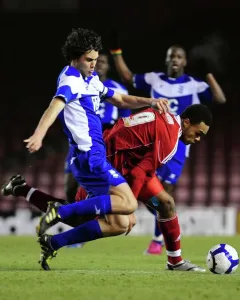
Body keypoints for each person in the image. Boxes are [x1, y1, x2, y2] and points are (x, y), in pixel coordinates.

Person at [22, 27, 169, 269]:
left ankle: (53, 242)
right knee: (130, 204)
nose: (94, 64)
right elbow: (55, 105)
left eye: (95, 59)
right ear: (75, 57)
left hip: (92, 157)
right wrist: (39, 134)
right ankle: (59, 211)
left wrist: (150, 101)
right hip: (90, 157)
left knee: (121, 224)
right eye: (89, 60)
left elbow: (120, 99)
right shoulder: (71, 79)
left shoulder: (90, 81)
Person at [3, 104, 212, 272]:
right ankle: (30, 197)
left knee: (166, 203)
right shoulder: (169, 139)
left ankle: (175, 262)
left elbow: (141, 170)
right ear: (186, 122)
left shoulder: (167, 124)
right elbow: (140, 173)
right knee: (97, 219)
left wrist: (128, 205)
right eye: (198, 132)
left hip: (126, 165)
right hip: (105, 163)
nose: (198, 139)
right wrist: (128, 208)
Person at [110, 41, 226, 254]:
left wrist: (207, 72)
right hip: (153, 139)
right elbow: (127, 77)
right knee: (149, 185)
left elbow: (219, 98)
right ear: (166, 60)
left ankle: (157, 239)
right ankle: (147, 222)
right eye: (171, 56)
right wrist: (117, 52)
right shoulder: (154, 78)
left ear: (185, 62)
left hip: (179, 144)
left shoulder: (193, 84)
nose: (175, 60)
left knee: (165, 190)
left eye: (179, 56)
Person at [64, 52, 131, 203]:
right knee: (69, 187)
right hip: (79, 139)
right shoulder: (77, 84)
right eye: (96, 60)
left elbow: (125, 120)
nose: (99, 64)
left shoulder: (118, 89)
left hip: (104, 140)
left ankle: (99, 219)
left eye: (103, 62)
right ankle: (76, 217)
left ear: (108, 66)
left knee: (102, 186)